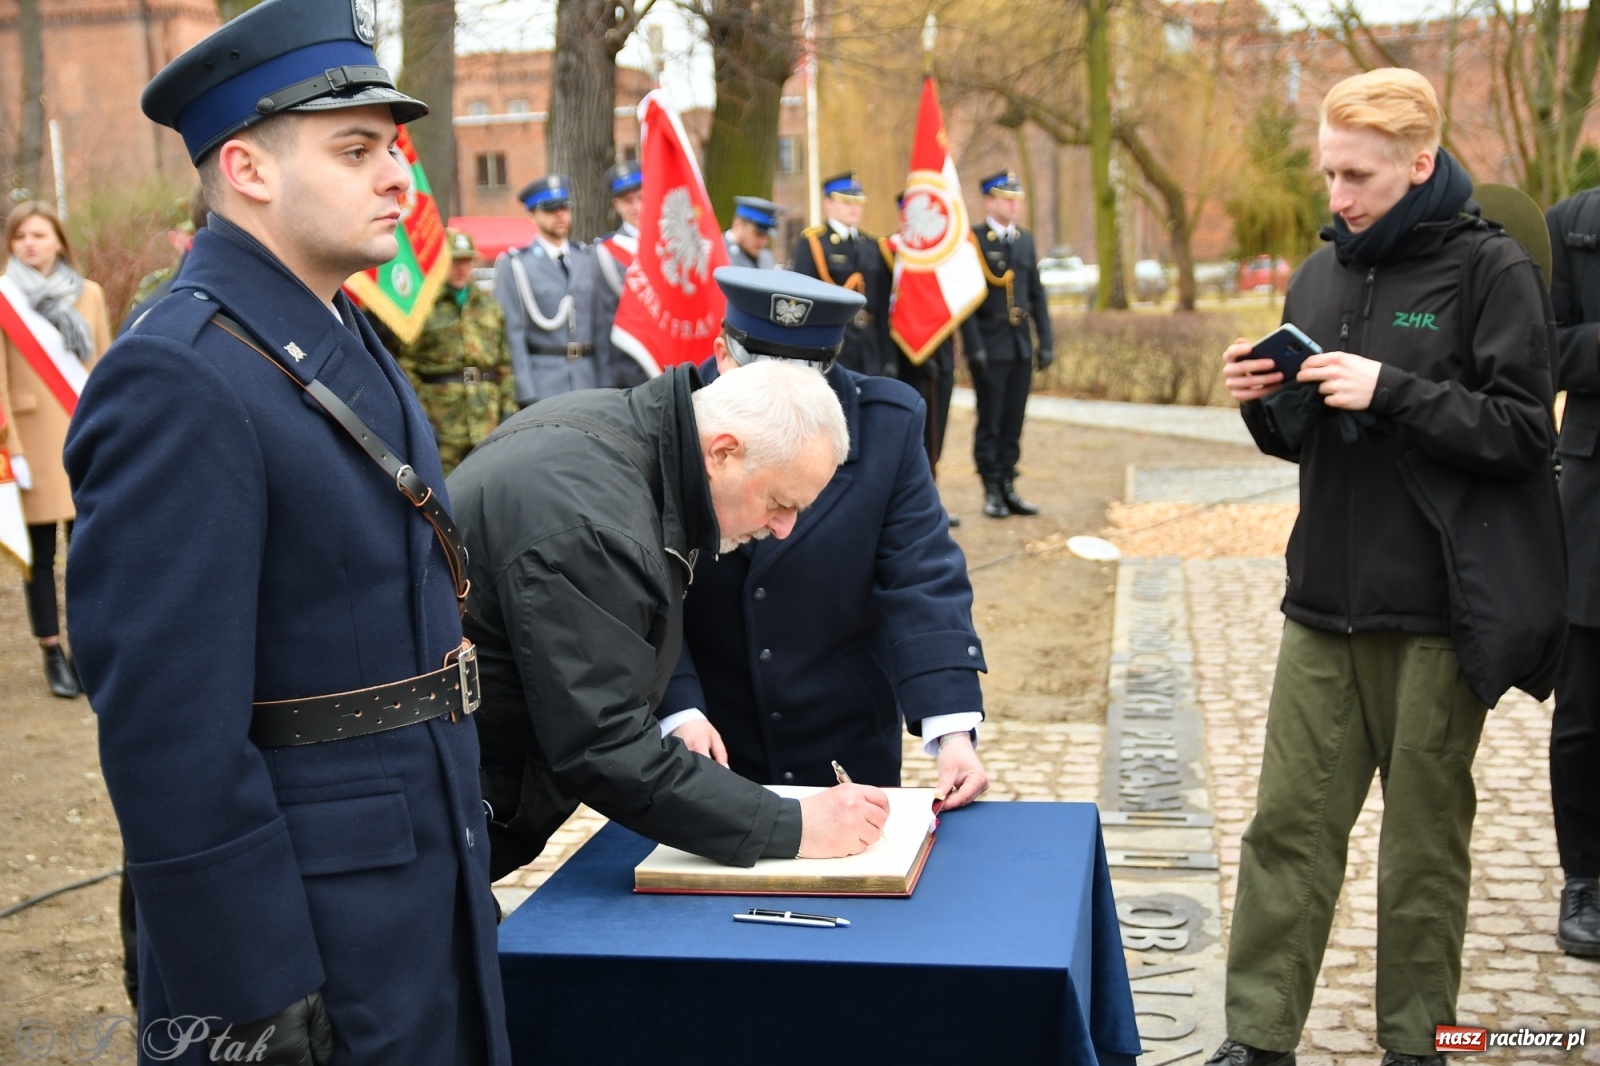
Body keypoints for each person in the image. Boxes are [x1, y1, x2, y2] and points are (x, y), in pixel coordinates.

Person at [63, 1, 510, 1061]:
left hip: (409, 870)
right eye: (356, 150)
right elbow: (168, 729)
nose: (399, 175)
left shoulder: (329, 327)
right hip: (305, 919)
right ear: (249, 171)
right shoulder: (181, 372)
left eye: (393, 148)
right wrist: (245, 986)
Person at [1209, 69, 1557, 1066]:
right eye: (1328, 172)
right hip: (1321, 603)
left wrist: (1392, 388)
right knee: (1285, 831)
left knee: (1419, 851)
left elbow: (1523, 433)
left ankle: (1419, 1044)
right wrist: (1257, 400)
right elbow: (1300, 438)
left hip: (1439, 615)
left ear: (1418, 162)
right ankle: (1257, 1038)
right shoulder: (1319, 275)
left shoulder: (1490, 271)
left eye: (1356, 174)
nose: (1337, 196)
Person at [449, 349, 891, 882]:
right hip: (447, 812)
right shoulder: (593, 523)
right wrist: (792, 826)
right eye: (780, 501)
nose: (783, 528)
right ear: (723, 452)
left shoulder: (623, 437)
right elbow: (604, 745)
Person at [659, 266, 988, 804]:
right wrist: (677, 709)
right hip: (708, 731)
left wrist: (950, 731)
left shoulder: (888, 427)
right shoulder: (672, 422)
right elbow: (647, 588)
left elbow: (921, 574)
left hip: (846, 728)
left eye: (807, 391)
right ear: (724, 358)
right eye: (766, 392)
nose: (786, 415)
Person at [0, 200, 111, 698]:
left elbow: (108, 368)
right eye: (21, 236)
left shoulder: (88, 294)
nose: (29, 244)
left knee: (89, 550)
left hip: (83, 433)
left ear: (59, 242)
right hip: (33, 444)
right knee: (41, 554)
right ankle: (51, 651)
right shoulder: (4, 299)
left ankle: (88, 650)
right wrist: (11, 450)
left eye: (39, 235)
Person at [1544, 186, 1600, 959]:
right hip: (1593, 500)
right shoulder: (1573, 225)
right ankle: (1585, 878)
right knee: (1586, 711)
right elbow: (1537, 349)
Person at [959, 170, 1053, 519]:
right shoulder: (973, 240)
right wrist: (974, 346)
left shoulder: (1024, 241)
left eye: (1017, 198)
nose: (1013, 203)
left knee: (1014, 418)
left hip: (1018, 345)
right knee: (991, 419)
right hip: (990, 341)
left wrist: (1046, 340)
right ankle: (991, 487)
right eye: (1006, 197)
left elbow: (1037, 294)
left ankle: (1009, 484)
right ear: (989, 200)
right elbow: (965, 298)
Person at [388, 228, 514, 476]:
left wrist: (508, 407)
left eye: (466, 261)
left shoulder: (489, 306)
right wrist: (420, 415)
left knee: (487, 481)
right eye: (454, 260)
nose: (461, 268)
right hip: (442, 419)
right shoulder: (422, 308)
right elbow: (405, 365)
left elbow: (504, 363)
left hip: (486, 416)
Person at [882, 191, 960, 522]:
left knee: (936, 431)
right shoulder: (890, 252)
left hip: (938, 355)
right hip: (904, 358)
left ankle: (930, 500)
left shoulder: (938, 253)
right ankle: (907, 505)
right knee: (906, 435)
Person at [493, 173, 603, 406]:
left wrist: (607, 382)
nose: (560, 214)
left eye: (564, 207)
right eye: (550, 209)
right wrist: (525, 392)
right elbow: (512, 334)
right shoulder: (516, 265)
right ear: (532, 215)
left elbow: (600, 326)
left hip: (589, 379)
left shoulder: (587, 258)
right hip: (544, 383)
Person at [790, 172, 894, 377]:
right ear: (828, 204)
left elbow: (883, 306)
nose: (854, 207)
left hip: (870, 347)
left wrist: (889, 356)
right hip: (831, 343)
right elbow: (801, 300)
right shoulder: (814, 243)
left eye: (858, 201)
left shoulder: (873, 245)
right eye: (846, 201)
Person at [594, 159, 654, 388]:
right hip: (630, 371)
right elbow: (604, 324)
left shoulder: (670, 246)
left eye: (641, 198)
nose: (636, 207)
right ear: (617, 205)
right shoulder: (607, 252)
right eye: (628, 201)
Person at [120, 186, 207, 333]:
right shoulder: (154, 285)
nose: (198, 238)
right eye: (190, 233)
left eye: (201, 230)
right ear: (174, 239)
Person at [724, 196, 782, 269]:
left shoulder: (766, 257)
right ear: (738, 225)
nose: (763, 242)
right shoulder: (716, 253)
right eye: (758, 234)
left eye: (765, 236)